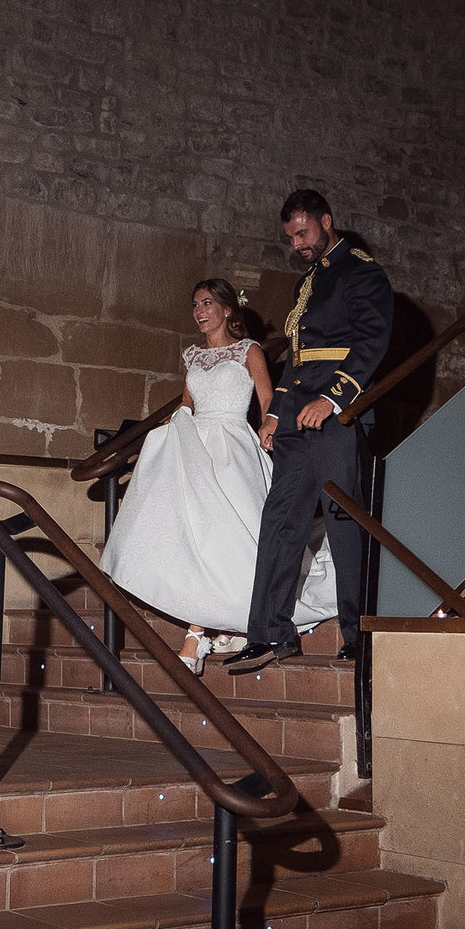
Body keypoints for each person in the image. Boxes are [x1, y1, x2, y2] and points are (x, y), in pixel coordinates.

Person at [98, 278, 337, 669]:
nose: (199, 311)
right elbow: (187, 406)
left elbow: (267, 402)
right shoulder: (191, 356)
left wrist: (269, 430)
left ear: (227, 310)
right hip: (195, 448)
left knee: (230, 538)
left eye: (207, 303)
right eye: (195, 304)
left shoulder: (250, 351)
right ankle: (214, 628)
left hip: (233, 449)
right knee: (199, 540)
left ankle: (197, 636)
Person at [225, 189, 390, 673]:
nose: (297, 243)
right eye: (291, 237)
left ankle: (358, 634)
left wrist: (335, 398)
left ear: (326, 221)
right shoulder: (308, 284)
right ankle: (269, 634)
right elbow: (297, 363)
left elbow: (371, 344)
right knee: (280, 522)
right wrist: (275, 411)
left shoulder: (362, 272)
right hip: (297, 418)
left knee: (343, 523)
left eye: (304, 232)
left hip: (336, 416)